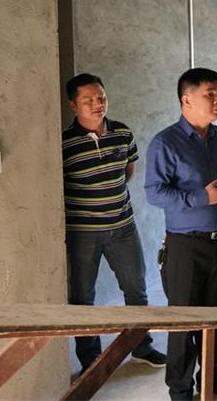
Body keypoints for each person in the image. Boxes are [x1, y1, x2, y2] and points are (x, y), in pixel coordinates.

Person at [145, 68, 217, 401]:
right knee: (183, 321)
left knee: (215, 316)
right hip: (185, 246)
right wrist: (203, 197)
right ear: (186, 100)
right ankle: (180, 389)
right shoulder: (165, 142)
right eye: (210, 95)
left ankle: (211, 377)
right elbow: (154, 193)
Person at [62, 73, 166, 372]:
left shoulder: (122, 133)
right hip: (83, 233)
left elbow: (128, 172)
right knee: (83, 298)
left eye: (102, 98)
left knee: (136, 289)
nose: (98, 104)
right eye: (89, 100)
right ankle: (91, 360)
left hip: (123, 227)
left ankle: (141, 347)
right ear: (73, 105)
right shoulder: (64, 143)